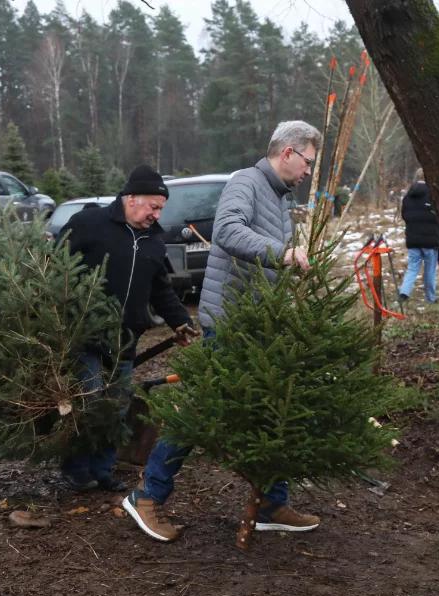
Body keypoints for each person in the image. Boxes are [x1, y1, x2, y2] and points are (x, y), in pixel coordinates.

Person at [123, 120, 321, 542]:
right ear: (286, 152)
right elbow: (228, 231)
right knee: (200, 410)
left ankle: (270, 502)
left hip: (258, 322)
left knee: (273, 407)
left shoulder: (278, 197)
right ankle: (147, 495)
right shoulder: (245, 183)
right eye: (306, 162)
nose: (307, 172)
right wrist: (282, 254)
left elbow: (263, 258)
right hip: (231, 323)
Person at [57, 165, 199, 492]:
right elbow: (54, 266)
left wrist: (180, 321)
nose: (157, 214)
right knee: (88, 403)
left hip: (125, 341)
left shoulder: (153, 241)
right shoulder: (89, 225)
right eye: (153, 206)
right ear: (130, 198)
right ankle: (77, 471)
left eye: (161, 208)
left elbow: (161, 288)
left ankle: (104, 470)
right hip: (85, 335)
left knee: (117, 407)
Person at [398, 168, 439, 304]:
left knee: (412, 267)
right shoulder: (433, 195)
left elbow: (404, 215)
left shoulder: (408, 196)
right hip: (430, 240)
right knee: (430, 270)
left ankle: (404, 292)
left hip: (412, 239)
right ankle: (430, 297)